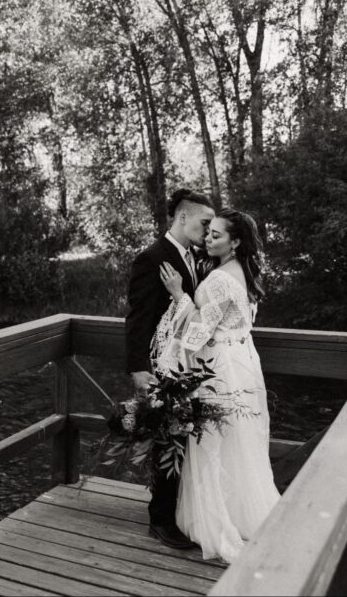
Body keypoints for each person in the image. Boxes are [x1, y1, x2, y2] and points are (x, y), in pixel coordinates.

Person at [153, 208, 281, 562]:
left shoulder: (223, 279)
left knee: (214, 443)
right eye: (208, 233)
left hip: (219, 366)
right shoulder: (241, 271)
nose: (208, 238)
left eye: (218, 235)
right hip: (242, 361)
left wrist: (179, 294)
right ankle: (244, 514)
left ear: (236, 242)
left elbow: (196, 335)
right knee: (239, 443)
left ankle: (216, 521)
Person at [125, 188, 215, 550]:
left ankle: (173, 511)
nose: (208, 231)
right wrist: (138, 369)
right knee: (168, 436)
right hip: (161, 363)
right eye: (204, 222)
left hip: (185, 362)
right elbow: (138, 318)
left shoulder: (192, 256)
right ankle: (160, 520)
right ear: (182, 217)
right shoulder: (152, 258)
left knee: (180, 435)